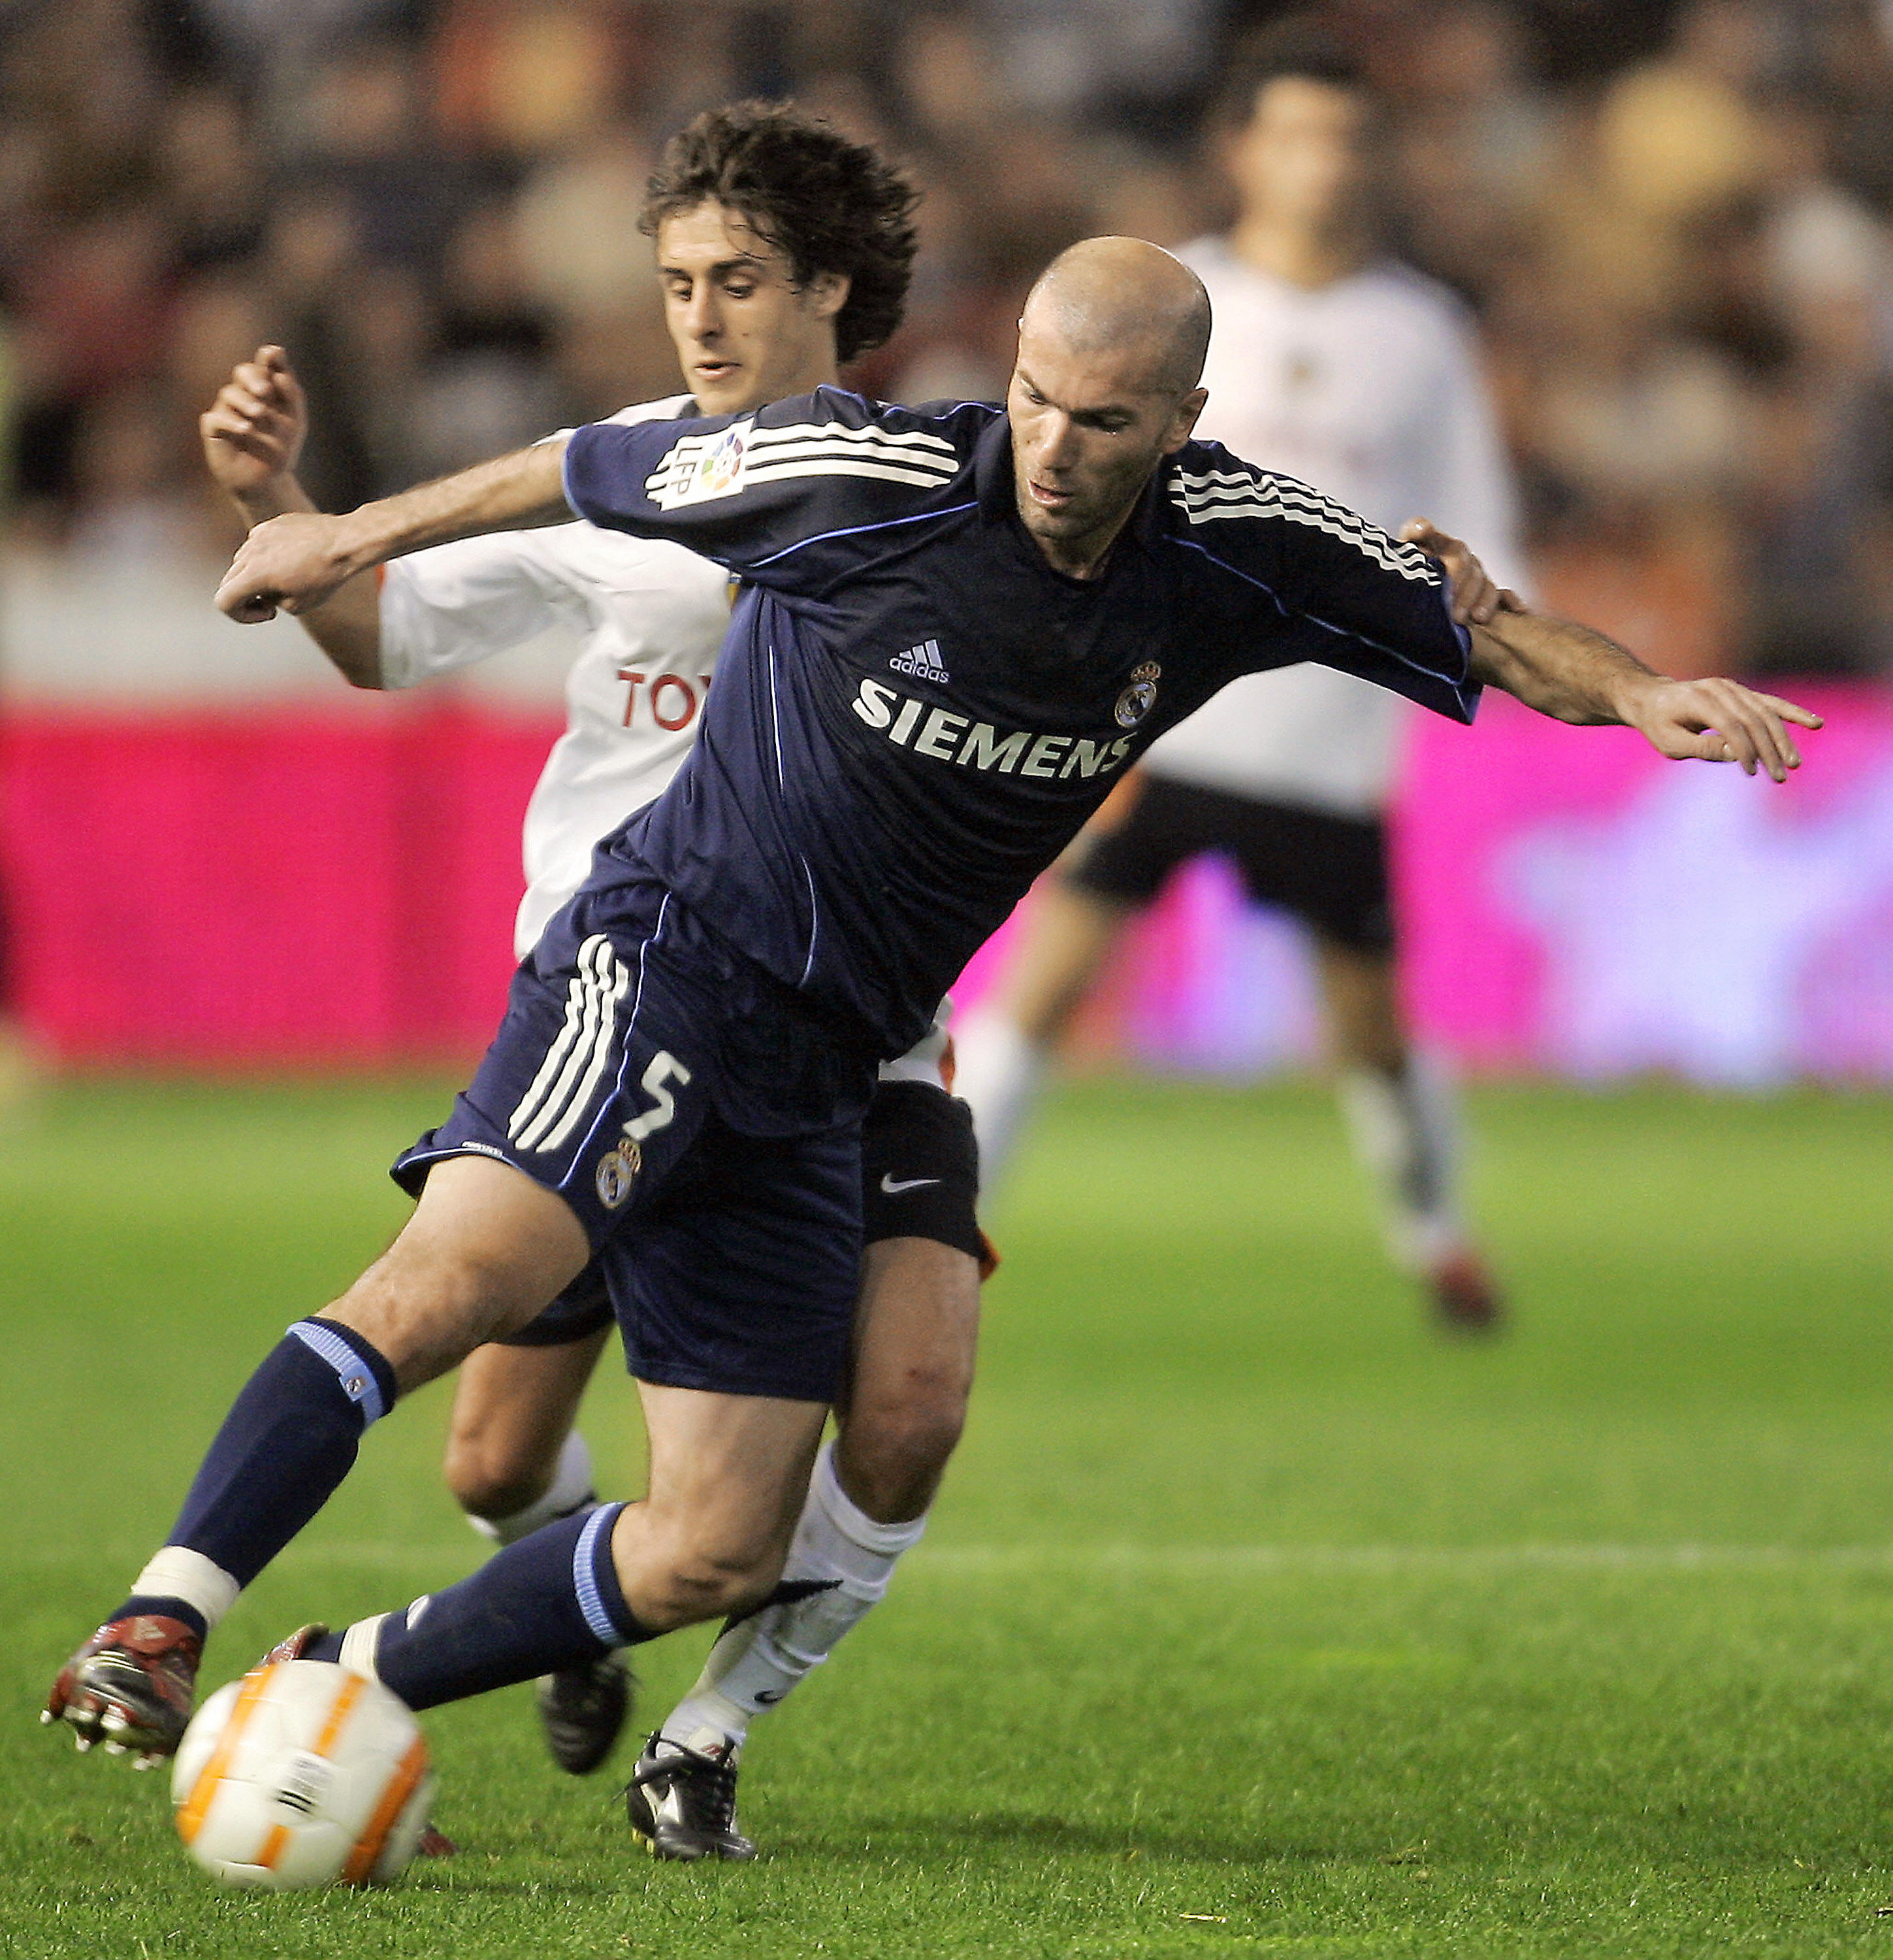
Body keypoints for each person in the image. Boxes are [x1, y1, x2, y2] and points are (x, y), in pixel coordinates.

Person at [49, 237, 1816, 1846]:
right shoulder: (859, 476)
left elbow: (1484, 626)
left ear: (1181, 423)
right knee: (453, 1295)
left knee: (716, 1545)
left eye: (1102, 420)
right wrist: (339, 532)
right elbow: (589, 465)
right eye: (1036, 397)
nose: (1051, 445)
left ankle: (335, 1673)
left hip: (844, 1068)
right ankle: (163, 1613)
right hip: (674, 963)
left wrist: (1644, 691)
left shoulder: (1237, 548)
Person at [191, 103, 990, 1858]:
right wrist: (278, 504)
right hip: (614, 1011)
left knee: (912, 1411)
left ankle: (705, 1738)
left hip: (863, 1044)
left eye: (740, 281)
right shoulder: (613, 471)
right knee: (490, 1464)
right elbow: (382, 639)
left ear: (834, 291)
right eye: (678, 282)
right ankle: (563, 1607)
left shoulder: (940, 494)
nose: (697, 317)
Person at [953, 25, 1519, 1330]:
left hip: (1327, 742)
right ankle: (942, 1217)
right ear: (1244, 150)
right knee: (1051, 975)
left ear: (1376, 159)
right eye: (1299, 133)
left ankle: (1436, 1235)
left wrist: (1478, 642)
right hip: (1156, 723)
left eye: (1349, 138)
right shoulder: (1172, 304)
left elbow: (1476, 541)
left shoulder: (1422, 335)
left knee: (1369, 1029)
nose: (1324, 163)